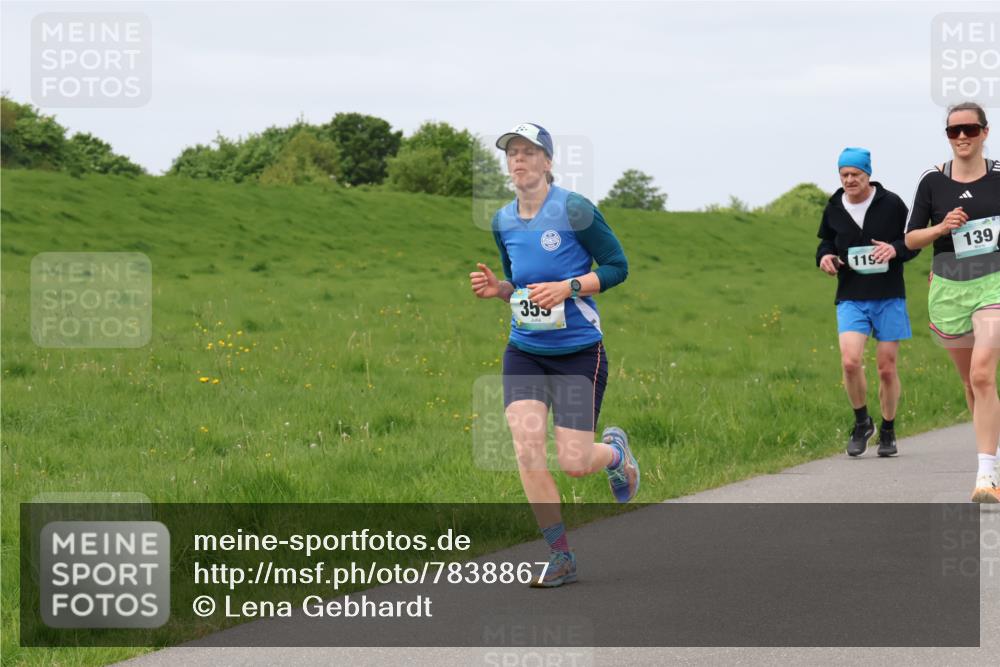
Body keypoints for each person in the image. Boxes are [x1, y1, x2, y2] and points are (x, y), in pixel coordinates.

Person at [469, 122, 638, 587]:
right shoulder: (502, 220)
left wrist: (570, 287)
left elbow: (618, 267)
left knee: (575, 462)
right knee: (526, 450)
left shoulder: (575, 209)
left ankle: (616, 455)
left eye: (528, 152)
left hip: (579, 352)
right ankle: (560, 555)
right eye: (512, 153)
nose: (518, 159)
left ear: (547, 161)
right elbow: (521, 286)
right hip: (525, 350)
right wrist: (500, 289)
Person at [903, 101, 1000, 503]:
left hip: (993, 284)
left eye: (970, 129)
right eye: (953, 131)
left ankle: (986, 476)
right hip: (948, 287)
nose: (961, 137)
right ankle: (992, 451)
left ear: (984, 132)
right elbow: (910, 239)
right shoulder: (932, 181)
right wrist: (942, 227)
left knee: (983, 373)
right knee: (970, 383)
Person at [816, 147, 919, 457]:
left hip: (888, 295)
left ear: (868, 174)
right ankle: (862, 422)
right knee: (850, 362)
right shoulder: (834, 207)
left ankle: (888, 429)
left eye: (855, 174)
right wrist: (825, 257)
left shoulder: (892, 203)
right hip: (851, 295)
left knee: (886, 368)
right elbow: (826, 242)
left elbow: (913, 241)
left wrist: (895, 249)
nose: (849, 180)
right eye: (844, 175)